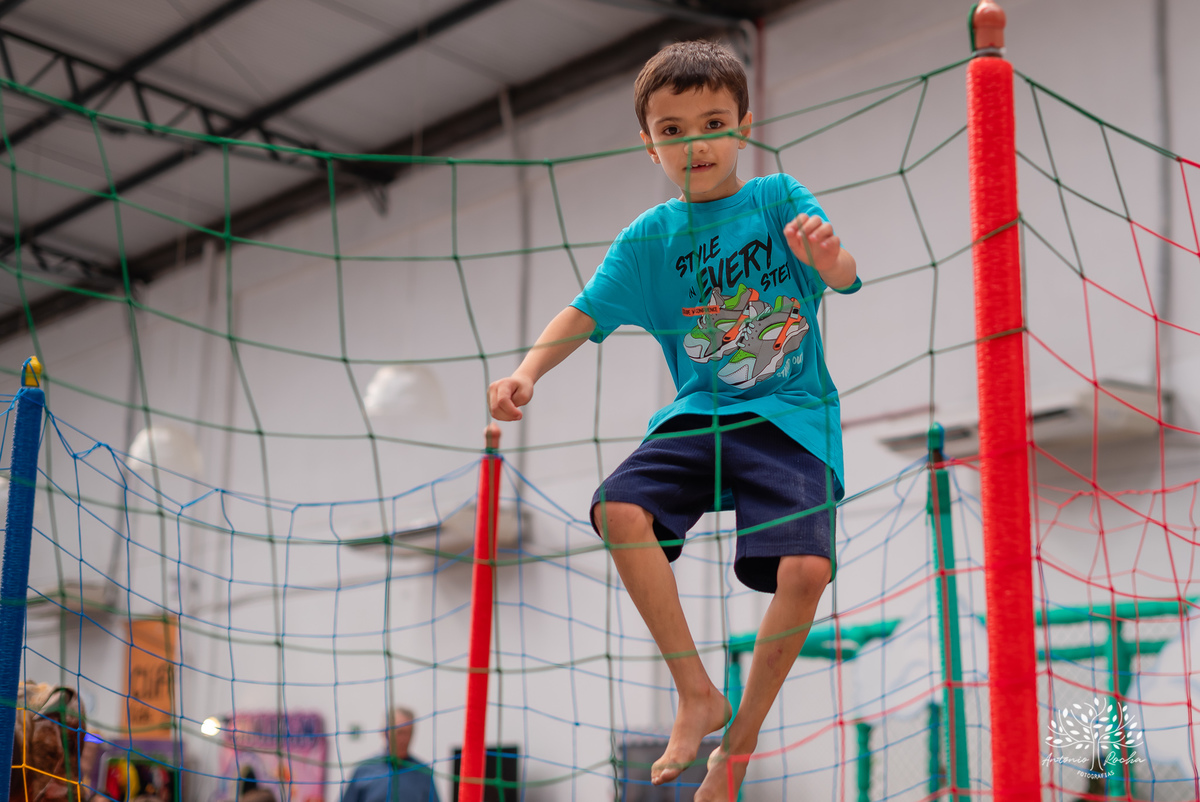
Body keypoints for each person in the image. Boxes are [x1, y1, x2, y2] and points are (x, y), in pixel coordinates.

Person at [488, 40, 860, 801]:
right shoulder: (650, 238)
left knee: (806, 571)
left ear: (745, 126)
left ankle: (738, 749)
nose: (695, 143)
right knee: (619, 508)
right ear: (648, 142)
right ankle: (696, 692)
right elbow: (584, 312)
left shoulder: (778, 200)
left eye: (713, 122)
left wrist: (828, 261)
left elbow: (844, 276)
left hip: (792, 417)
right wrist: (526, 370)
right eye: (673, 129)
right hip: (701, 415)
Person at [340, 708, 440, 802]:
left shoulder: (423, 772)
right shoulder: (363, 770)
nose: (404, 739)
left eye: (409, 732)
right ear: (384, 732)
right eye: (399, 732)